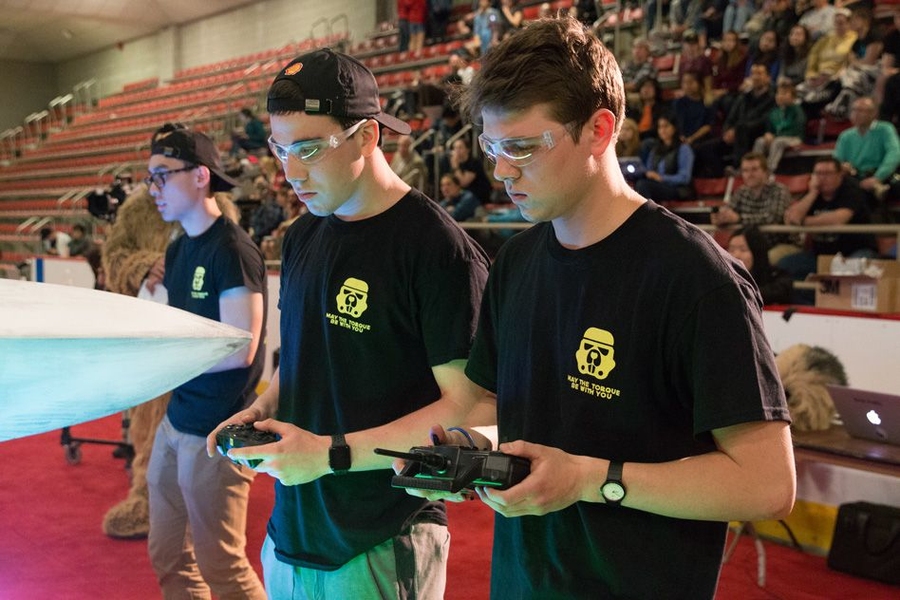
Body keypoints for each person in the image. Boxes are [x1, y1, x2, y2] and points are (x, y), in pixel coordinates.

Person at [407, 16, 796, 598]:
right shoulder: (515, 263)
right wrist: (472, 449)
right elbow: (522, 418)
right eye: (492, 147)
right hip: (522, 580)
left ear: (599, 129)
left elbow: (767, 484)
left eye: (522, 147)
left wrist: (593, 481)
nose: (501, 170)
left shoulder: (697, 279)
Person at [206, 48, 491, 598]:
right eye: (280, 150)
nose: (290, 172)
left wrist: (331, 453)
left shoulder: (436, 250)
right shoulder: (303, 235)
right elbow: (307, 360)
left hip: (382, 536)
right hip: (292, 529)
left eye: (309, 149)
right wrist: (264, 408)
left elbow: (469, 406)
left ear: (367, 136)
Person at [143, 123, 268, 599]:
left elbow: (240, 349)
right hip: (177, 422)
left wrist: (164, 362)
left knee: (222, 567)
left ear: (200, 176)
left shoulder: (232, 249)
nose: (153, 189)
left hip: (218, 432)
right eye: (149, 178)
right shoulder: (177, 249)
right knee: (168, 556)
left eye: (162, 176)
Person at [779, 156, 878, 283]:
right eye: (818, 173)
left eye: (827, 173)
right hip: (821, 256)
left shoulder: (851, 189)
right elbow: (792, 218)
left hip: (855, 251)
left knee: (851, 271)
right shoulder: (814, 193)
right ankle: (809, 301)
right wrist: (812, 193)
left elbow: (839, 218)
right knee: (784, 266)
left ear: (839, 175)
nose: (822, 178)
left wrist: (806, 222)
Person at [711, 151, 799, 262]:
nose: (749, 174)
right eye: (745, 170)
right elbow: (729, 213)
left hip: (781, 244)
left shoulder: (779, 190)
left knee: (764, 260)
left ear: (765, 172)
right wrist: (721, 218)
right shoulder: (741, 192)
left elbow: (773, 217)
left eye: (754, 169)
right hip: (749, 247)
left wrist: (739, 219)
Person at [695, 61, 775, 176]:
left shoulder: (772, 98)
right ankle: (721, 178)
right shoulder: (743, 97)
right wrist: (727, 131)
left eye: (759, 73)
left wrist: (736, 130)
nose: (755, 77)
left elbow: (764, 120)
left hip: (755, 134)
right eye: (753, 73)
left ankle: (739, 168)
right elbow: (731, 118)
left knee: (742, 129)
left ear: (768, 77)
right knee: (705, 148)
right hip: (737, 135)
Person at [833, 96, 900, 204]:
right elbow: (837, 160)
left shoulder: (885, 129)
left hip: (882, 176)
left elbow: (894, 154)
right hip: (855, 177)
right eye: (854, 110)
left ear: (873, 113)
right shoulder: (845, 136)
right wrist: (842, 166)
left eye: (861, 110)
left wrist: (878, 177)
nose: (856, 114)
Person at [634, 114, 696, 201]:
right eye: (660, 127)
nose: (662, 130)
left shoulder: (683, 148)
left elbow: (685, 177)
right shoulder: (656, 149)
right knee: (637, 184)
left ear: (674, 128)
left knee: (643, 185)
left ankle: (646, 214)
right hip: (658, 185)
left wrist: (661, 178)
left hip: (677, 188)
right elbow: (649, 169)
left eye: (666, 126)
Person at [726, 225, 794, 305]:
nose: (736, 255)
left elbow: (780, 293)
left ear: (757, 252)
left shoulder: (776, 276)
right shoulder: (722, 277)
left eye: (743, 250)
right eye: (732, 249)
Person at [753, 81, 807, 174]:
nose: (780, 96)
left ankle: (769, 170)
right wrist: (768, 134)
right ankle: (754, 168)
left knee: (778, 142)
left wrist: (775, 136)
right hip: (777, 137)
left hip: (794, 137)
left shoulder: (797, 110)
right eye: (778, 93)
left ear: (793, 97)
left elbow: (798, 128)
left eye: (784, 93)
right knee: (760, 141)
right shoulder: (774, 112)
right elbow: (769, 128)